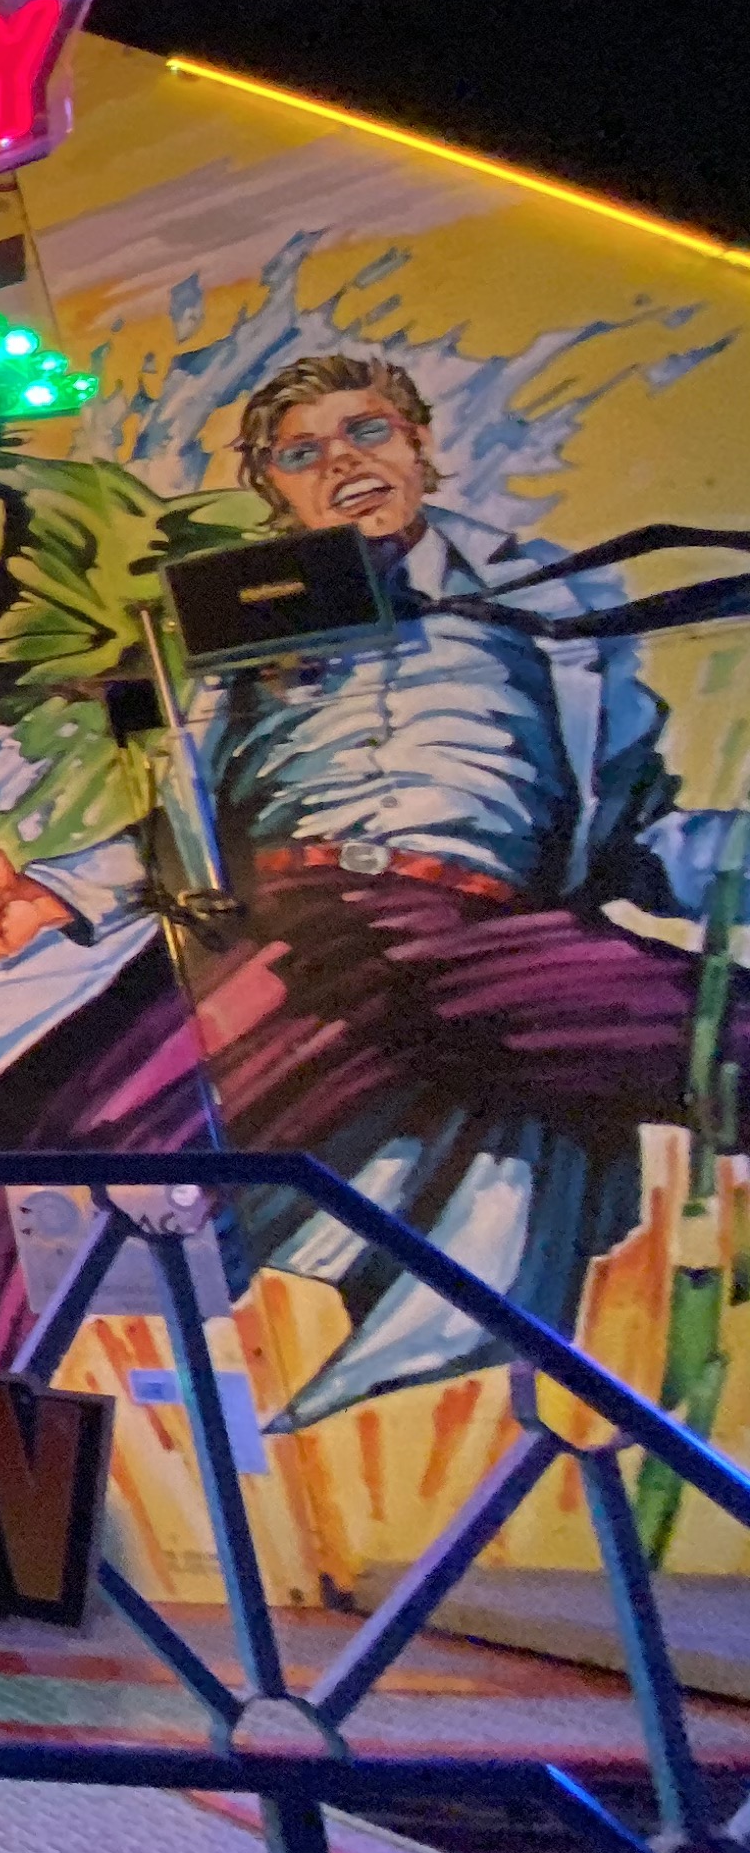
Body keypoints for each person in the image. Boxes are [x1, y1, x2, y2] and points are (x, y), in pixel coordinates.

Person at [38, 350, 750, 1421]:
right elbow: (171, 801)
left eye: (366, 432)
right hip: (301, 921)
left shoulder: (550, 601)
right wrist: (56, 894)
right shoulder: (242, 621)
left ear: (418, 444)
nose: (342, 463)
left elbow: (636, 833)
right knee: (90, 1166)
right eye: (301, 454)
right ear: (273, 489)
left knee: (695, 1045)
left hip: (481, 934)